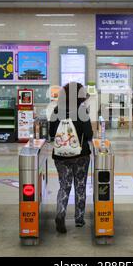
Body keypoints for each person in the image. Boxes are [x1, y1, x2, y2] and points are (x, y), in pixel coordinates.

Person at [49, 82, 94, 234]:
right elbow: (89, 134)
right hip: (80, 155)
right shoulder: (82, 111)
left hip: (61, 155)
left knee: (64, 185)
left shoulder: (56, 110)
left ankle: (60, 214)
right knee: (80, 186)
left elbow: (50, 133)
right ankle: (79, 220)